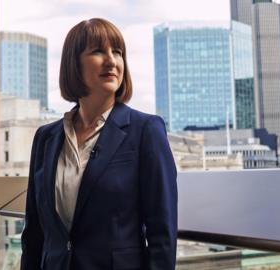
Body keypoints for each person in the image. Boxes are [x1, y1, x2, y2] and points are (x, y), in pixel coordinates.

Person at [20, 18, 177, 270]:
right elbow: (34, 234)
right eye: (97, 51)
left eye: (117, 52)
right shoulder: (45, 138)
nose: (112, 61)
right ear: (73, 63)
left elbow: (162, 235)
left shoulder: (146, 131)